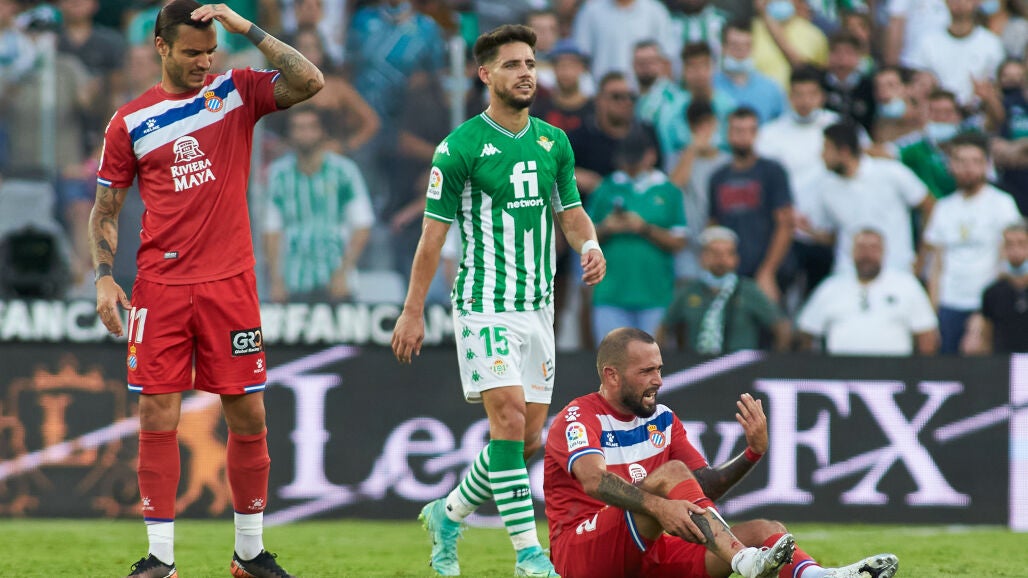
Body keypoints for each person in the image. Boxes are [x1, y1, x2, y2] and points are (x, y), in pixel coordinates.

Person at [89, 2, 324, 577]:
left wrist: (246, 28)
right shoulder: (130, 121)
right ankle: (160, 560)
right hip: (160, 287)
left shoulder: (235, 92)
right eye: (192, 53)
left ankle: (249, 554)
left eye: (212, 51)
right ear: (161, 47)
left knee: (248, 413)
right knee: (157, 413)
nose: (204, 62)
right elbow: (106, 208)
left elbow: (309, 81)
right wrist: (103, 276)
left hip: (230, 283)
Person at [390, 24, 606, 577]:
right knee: (507, 420)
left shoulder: (553, 142)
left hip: (538, 307)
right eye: (513, 64)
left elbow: (571, 212)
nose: (526, 73)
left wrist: (589, 244)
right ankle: (529, 556)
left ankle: (448, 513)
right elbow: (431, 239)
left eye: (530, 63)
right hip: (485, 303)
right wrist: (413, 310)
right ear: (485, 74)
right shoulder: (458, 148)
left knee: (526, 440)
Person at [543, 326, 901, 578]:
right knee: (672, 474)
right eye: (646, 371)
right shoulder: (578, 417)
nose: (658, 380)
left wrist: (752, 453)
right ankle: (742, 559)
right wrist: (660, 507)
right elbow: (593, 480)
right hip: (582, 555)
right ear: (611, 375)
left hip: (645, 552)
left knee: (765, 530)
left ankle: (819, 576)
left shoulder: (662, 419)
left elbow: (703, 489)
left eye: (660, 369)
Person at [921, 133, 1022, 354]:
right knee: (946, 366)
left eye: (975, 161)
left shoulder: (1002, 204)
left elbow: (1007, 256)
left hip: (987, 302)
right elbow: (936, 265)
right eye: (961, 161)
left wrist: (987, 307)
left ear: (986, 165)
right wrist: (932, 313)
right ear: (951, 165)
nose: (968, 168)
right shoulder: (943, 208)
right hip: (949, 303)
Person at [588, 125, 687, 343]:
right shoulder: (606, 187)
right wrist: (606, 228)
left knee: (650, 359)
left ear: (651, 155)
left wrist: (645, 228)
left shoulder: (668, 190)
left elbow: (679, 241)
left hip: (655, 294)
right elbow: (582, 236)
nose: (630, 165)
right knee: (611, 358)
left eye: (635, 159)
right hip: (610, 293)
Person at [264, 107, 373, 303]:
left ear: (322, 131)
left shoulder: (344, 171)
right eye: (298, 127)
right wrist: (276, 280)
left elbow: (362, 225)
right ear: (289, 133)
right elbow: (271, 229)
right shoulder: (278, 174)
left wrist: (344, 271)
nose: (305, 133)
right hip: (292, 280)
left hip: (337, 279)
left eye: (311, 127)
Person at [805, 121, 933, 276]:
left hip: (895, 271)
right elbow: (833, 235)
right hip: (848, 275)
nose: (822, 155)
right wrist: (809, 231)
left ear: (844, 152)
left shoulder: (891, 172)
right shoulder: (826, 187)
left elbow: (929, 206)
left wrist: (921, 261)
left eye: (827, 148)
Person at [797, 229, 939, 355]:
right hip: (840, 371)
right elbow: (807, 331)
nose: (867, 254)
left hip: (894, 371)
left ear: (883, 252)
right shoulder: (831, 287)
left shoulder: (907, 285)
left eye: (873, 248)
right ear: (851, 252)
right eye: (861, 247)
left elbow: (927, 335)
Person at [659, 226, 790, 354]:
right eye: (714, 253)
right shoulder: (689, 290)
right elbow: (663, 327)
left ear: (736, 259)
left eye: (728, 253)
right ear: (702, 257)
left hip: (740, 364)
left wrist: (774, 362)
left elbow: (781, 327)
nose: (721, 260)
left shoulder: (748, 290)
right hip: (697, 364)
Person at [708, 107, 794, 302]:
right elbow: (714, 226)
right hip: (731, 274)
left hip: (770, 271)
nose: (743, 136)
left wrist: (768, 271)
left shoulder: (772, 171)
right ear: (728, 133)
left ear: (756, 133)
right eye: (737, 130)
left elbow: (785, 224)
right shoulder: (718, 177)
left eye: (749, 130)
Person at [962, 222, 1028, 354]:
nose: (1015, 250)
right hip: (1002, 361)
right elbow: (987, 338)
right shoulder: (992, 292)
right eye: (1009, 244)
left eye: (1022, 244)